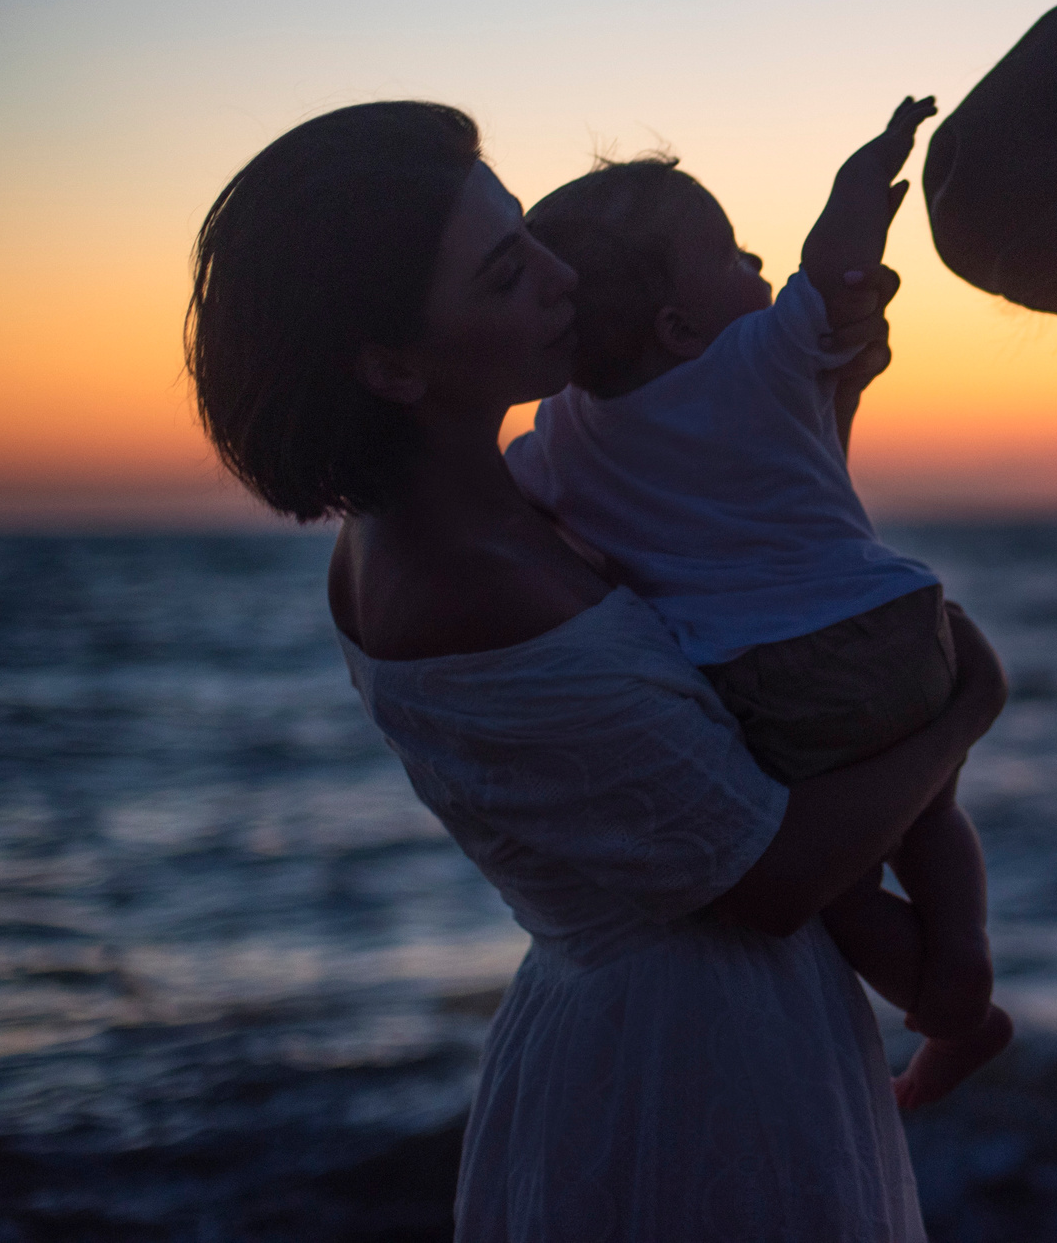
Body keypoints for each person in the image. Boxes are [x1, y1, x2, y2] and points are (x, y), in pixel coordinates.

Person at [186, 100, 1001, 1239]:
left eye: (534, 235)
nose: (563, 277)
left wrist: (812, 414)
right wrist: (963, 709)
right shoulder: (474, 578)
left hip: (635, 1031)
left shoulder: (483, 501)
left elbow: (730, 568)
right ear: (393, 365)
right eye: (508, 272)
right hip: (702, 1071)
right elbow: (769, 877)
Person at [505, 96, 1013, 1109]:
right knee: (929, 806)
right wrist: (864, 179)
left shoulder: (555, 440)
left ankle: (947, 998)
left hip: (759, 683)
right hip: (900, 633)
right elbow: (838, 269)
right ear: (678, 323)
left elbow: (521, 517)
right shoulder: (763, 357)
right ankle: (962, 954)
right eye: (736, 254)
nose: (761, 266)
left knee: (832, 878)